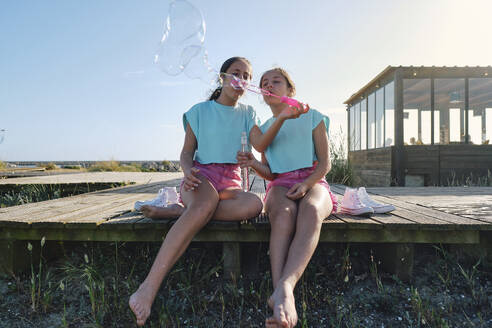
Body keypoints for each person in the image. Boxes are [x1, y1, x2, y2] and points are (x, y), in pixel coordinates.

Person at [129, 57, 302, 326]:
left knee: (255, 204)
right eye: (236, 73)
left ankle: (181, 212)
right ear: (222, 77)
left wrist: (281, 117)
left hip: (231, 183)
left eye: (246, 76)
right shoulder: (198, 111)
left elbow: (260, 142)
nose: (241, 80)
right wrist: (187, 171)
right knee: (204, 202)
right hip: (201, 178)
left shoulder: (247, 113)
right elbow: (186, 153)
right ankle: (148, 287)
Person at [237, 68, 337, 328]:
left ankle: (285, 288)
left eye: (276, 81)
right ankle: (280, 295)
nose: (269, 85)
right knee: (283, 214)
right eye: (264, 83)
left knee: (312, 210)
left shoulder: (312, 116)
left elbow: (325, 164)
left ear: (290, 89)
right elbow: (272, 174)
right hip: (281, 183)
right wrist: (254, 164)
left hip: (313, 179)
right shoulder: (266, 129)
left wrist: (306, 185)